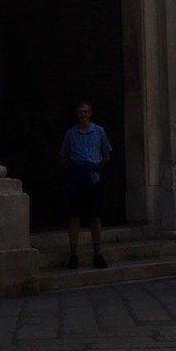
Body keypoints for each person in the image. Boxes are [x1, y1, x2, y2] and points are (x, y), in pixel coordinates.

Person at [59, 101, 111, 270]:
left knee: (95, 216)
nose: (83, 114)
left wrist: (95, 169)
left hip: (93, 175)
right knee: (74, 216)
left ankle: (98, 253)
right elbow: (64, 156)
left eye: (86, 111)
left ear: (90, 113)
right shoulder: (70, 134)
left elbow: (106, 154)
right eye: (80, 112)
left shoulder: (99, 132)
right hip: (76, 174)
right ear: (76, 114)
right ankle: (73, 254)